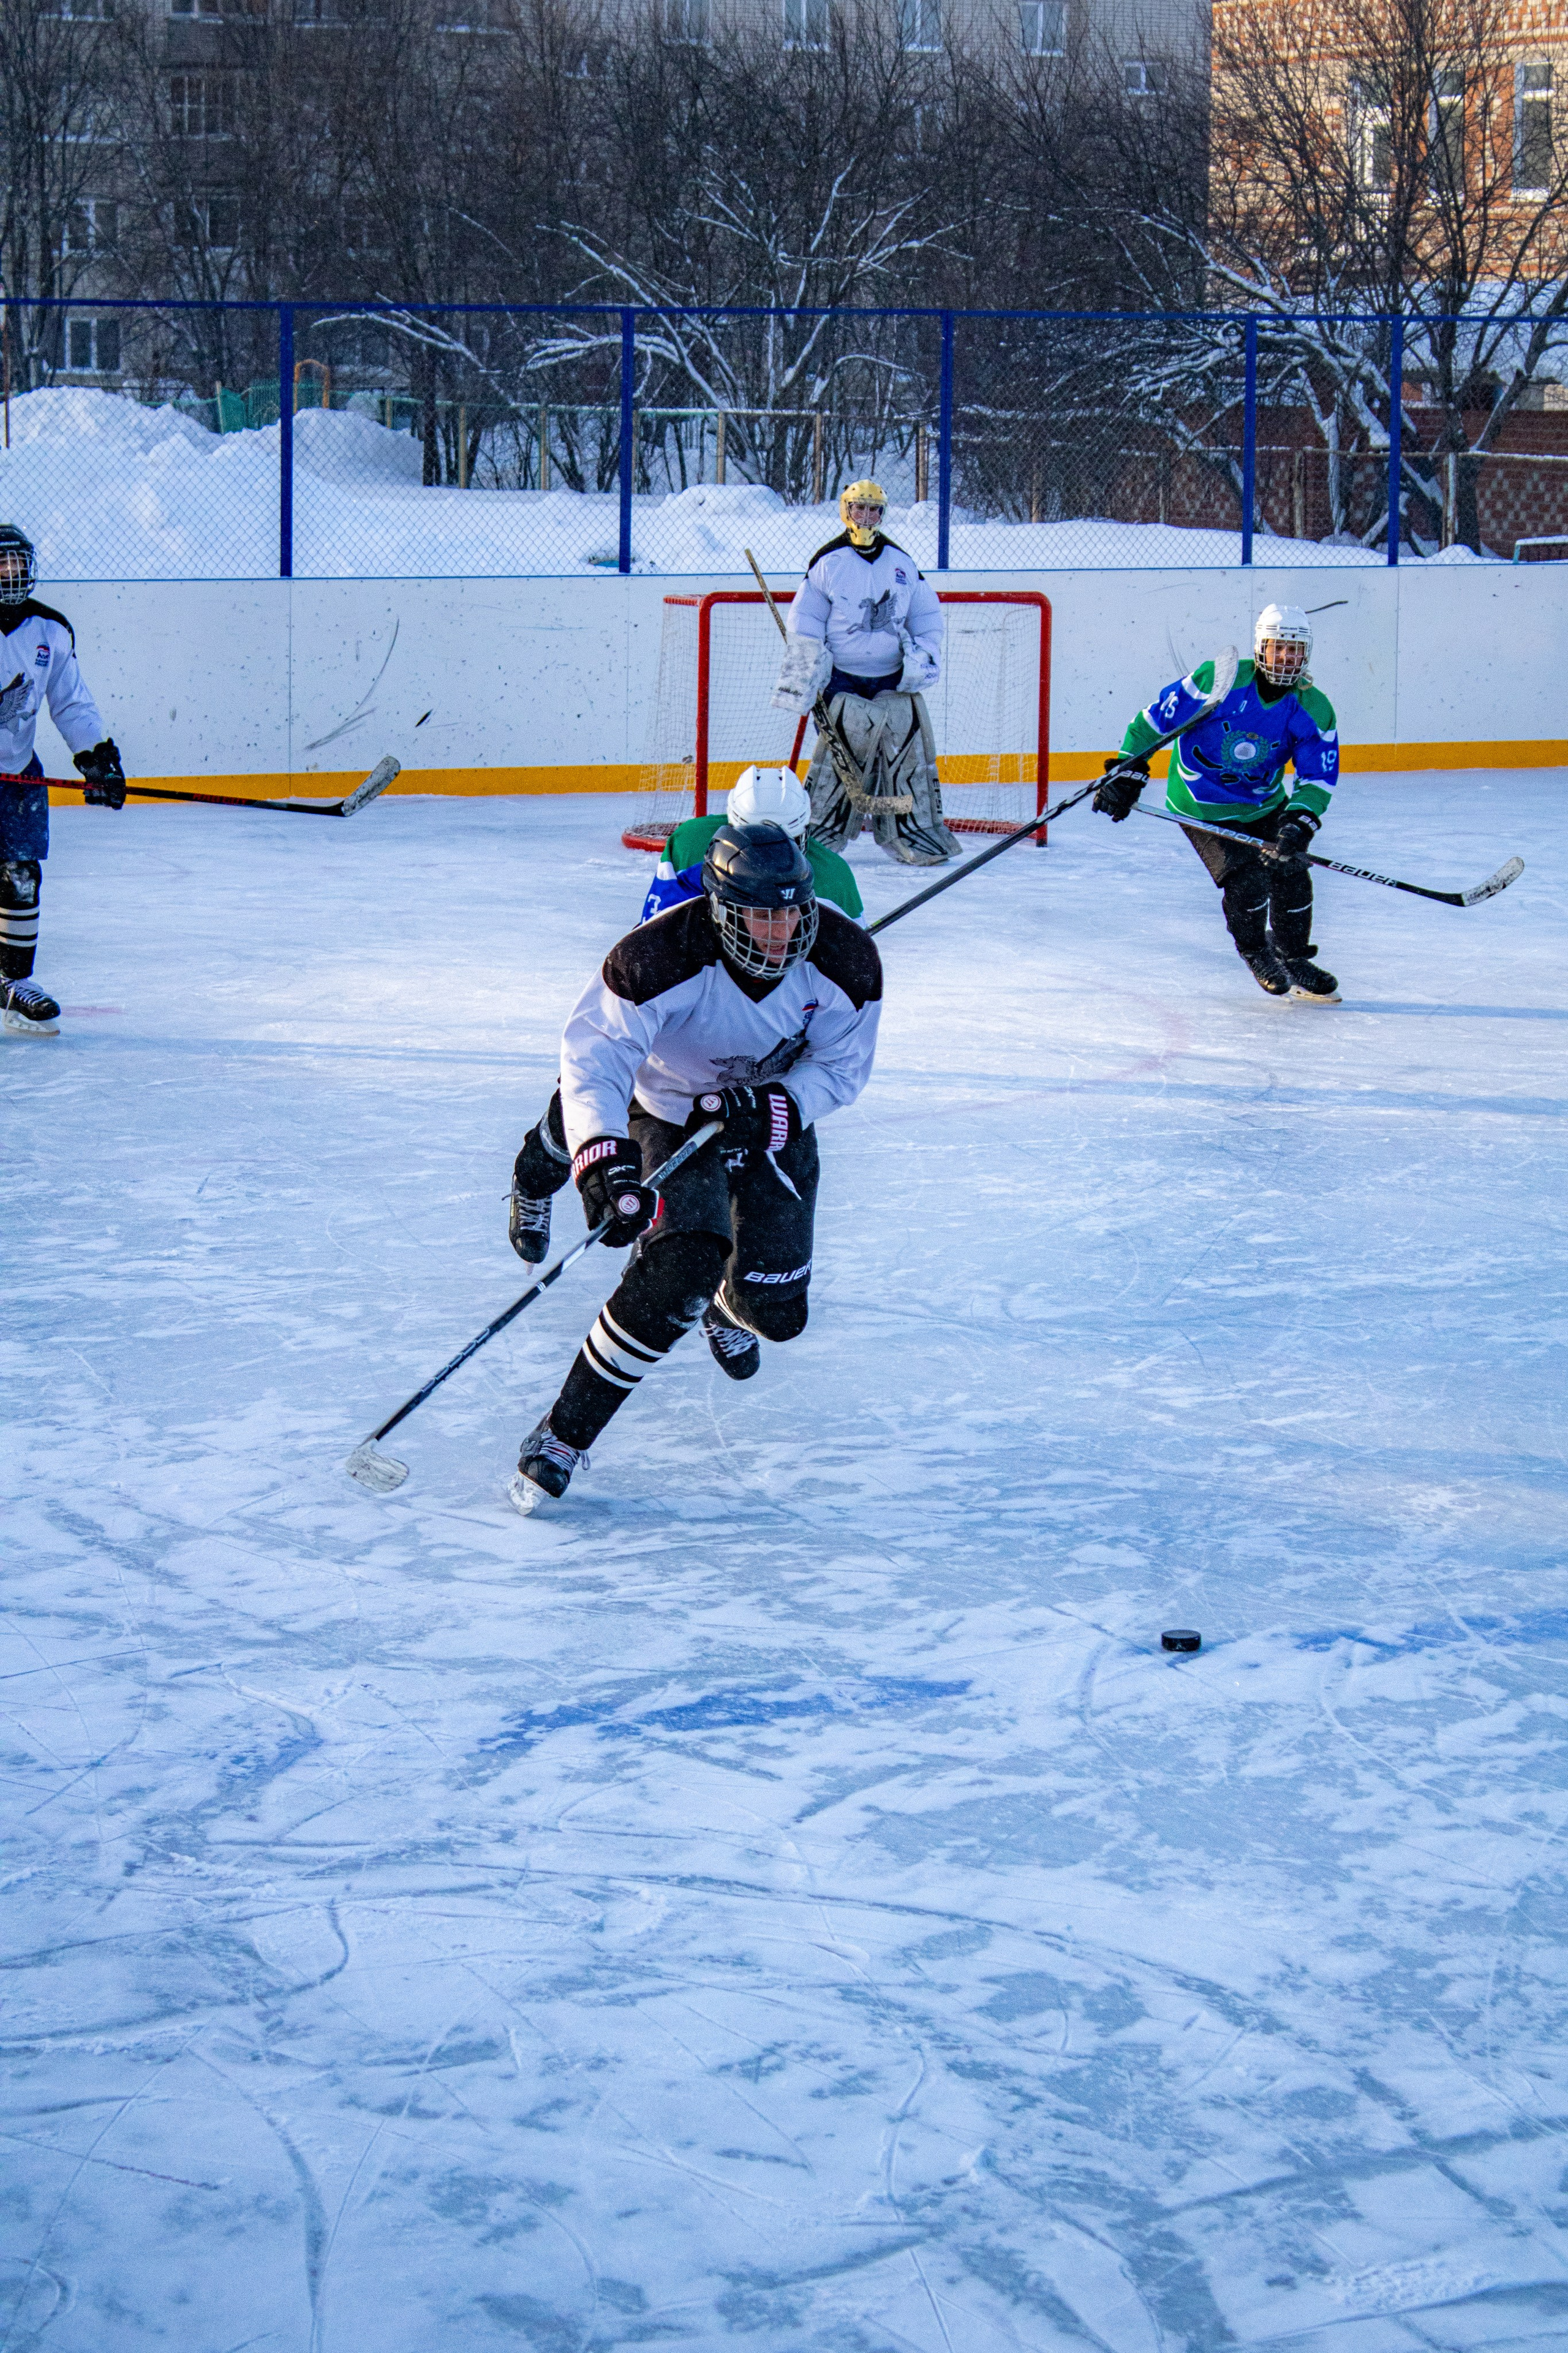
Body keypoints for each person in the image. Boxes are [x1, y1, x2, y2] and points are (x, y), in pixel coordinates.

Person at [510, 820, 882, 1514]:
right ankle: (561, 1436)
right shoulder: (655, 957)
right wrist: (602, 1163)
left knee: (775, 1313)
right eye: (762, 916)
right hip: (667, 1105)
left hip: (770, 1111)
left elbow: (841, 1067)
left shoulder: (846, 958)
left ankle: (725, 1301)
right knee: (680, 1262)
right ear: (721, 907)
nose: (782, 932)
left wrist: (777, 1109)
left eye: (794, 911)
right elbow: (595, 1059)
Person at [508, 764, 862, 1265]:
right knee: (595, 1090)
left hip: (754, 1028)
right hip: (682, 1009)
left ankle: (674, 1240)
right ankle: (534, 1176)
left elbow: (837, 976)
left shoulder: (835, 880)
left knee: (732, 1133)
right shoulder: (692, 844)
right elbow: (656, 945)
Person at [1093, 602, 1341, 1002]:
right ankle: (1257, 951)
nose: (1286, 658)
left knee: (1291, 870)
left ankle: (1293, 957)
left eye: (1295, 650)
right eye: (1279, 648)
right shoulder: (1221, 681)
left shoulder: (1314, 707)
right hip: (1201, 805)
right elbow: (1153, 722)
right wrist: (1128, 769)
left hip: (1264, 804)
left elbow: (1317, 777)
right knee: (1247, 880)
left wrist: (1299, 820)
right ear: (1261, 648)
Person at [771, 479, 958, 867]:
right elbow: (805, 621)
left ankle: (915, 831)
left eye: (874, 510)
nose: (867, 516)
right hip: (843, 680)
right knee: (839, 763)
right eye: (860, 509)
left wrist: (920, 660)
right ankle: (820, 835)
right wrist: (806, 673)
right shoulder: (829, 561)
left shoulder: (901, 562)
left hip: (891, 680)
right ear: (846, 511)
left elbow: (926, 617)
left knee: (906, 759)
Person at [0, 524, 126, 1035]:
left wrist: (96, 756)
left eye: (17, 565)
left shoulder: (49, 631)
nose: (11, 575)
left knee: (22, 877)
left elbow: (71, 701)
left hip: (17, 773)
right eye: (0, 566)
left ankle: (13, 984)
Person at [641, 761, 862, 924]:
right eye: (754, 844)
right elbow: (658, 929)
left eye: (784, 845)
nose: (770, 857)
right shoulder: (691, 843)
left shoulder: (834, 877)